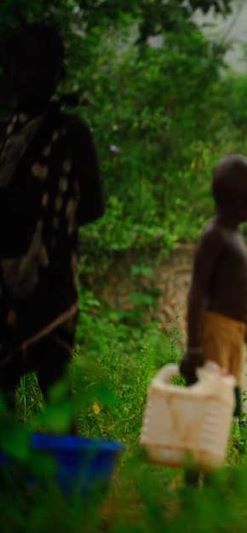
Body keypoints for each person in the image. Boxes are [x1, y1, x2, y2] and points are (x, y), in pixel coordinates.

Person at [0, 23, 104, 413]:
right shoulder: (9, 134)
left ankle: (62, 468)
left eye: (42, 65)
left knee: (52, 377)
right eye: (25, 64)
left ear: (59, 73)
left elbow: (93, 206)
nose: (33, 74)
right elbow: (92, 207)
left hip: (51, 284)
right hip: (13, 286)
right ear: (9, 70)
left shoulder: (71, 133)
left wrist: (43, 228)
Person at [179, 154, 247, 418]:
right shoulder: (215, 235)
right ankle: (200, 450)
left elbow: (233, 296)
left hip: (232, 333)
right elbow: (199, 291)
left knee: (227, 398)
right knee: (211, 398)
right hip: (215, 331)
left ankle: (221, 447)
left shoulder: (234, 233)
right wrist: (194, 347)